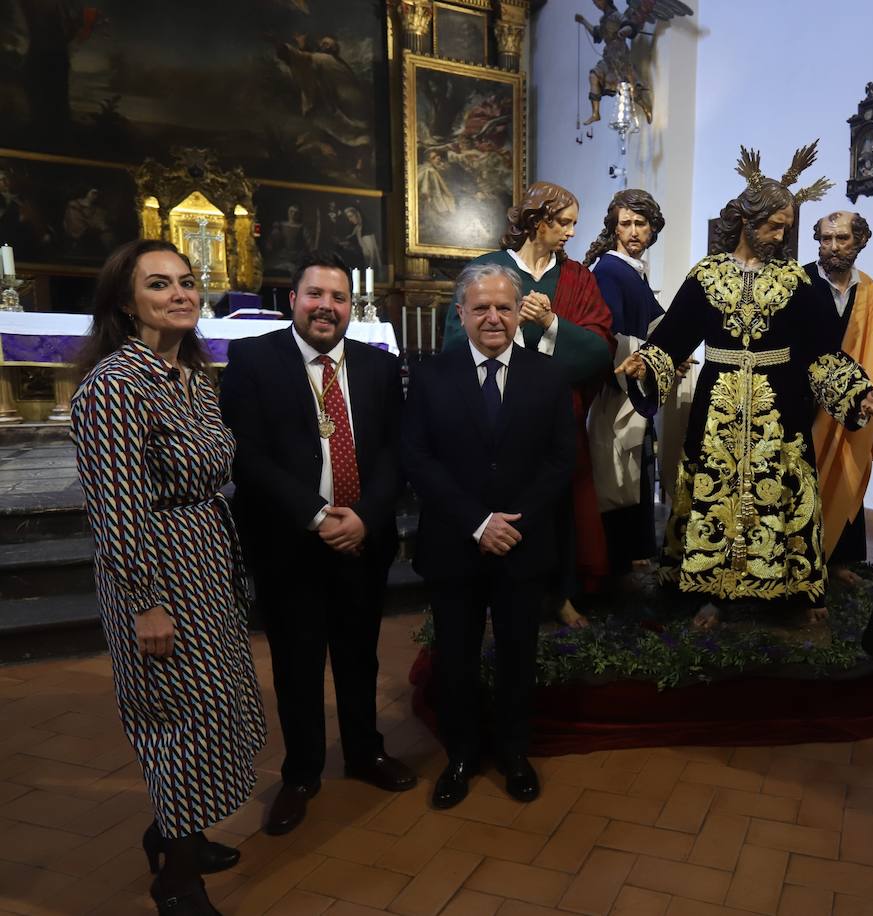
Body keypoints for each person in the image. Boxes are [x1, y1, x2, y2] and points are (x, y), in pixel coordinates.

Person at [70, 239, 266, 915]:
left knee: (216, 708)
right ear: (126, 303)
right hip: (155, 571)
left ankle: (176, 831)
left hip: (207, 559)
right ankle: (177, 879)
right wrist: (146, 604)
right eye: (159, 285)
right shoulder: (115, 388)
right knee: (178, 719)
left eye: (186, 281)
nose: (180, 293)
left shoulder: (189, 373)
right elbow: (117, 510)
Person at [617, 143, 873, 629]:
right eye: (774, 225)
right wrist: (648, 361)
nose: (782, 235)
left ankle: (793, 586)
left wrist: (855, 389)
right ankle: (711, 590)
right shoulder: (707, 275)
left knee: (779, 492)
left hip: (778, 408)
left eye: (786, 226)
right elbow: (676, 335)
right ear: (746, 219)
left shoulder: (795, 282)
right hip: (716, 408)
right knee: (713, 495)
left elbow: (820, 351)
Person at [220, 251, 416, 839]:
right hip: (289, 543)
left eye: (337, 297)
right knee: (298, 663)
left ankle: (365, 752)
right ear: (293, 300)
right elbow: (245, 452)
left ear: (350, 307)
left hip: (362, 540)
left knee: (359, 654)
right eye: (315, 295)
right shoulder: (254, 359)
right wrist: (313, 514)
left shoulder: (379, 369)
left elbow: (393, 454)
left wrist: (365, 516)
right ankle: (302, 774)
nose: (326, 307)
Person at [404, 262, 575, 808]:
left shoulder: (549, 376)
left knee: (518, 655)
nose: (494, 317)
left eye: (504, 306)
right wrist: (478, 521)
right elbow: (418, 459)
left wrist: (510, 521)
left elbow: (560, 460)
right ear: (461, 314)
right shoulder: (432, 375)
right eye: (481, 308)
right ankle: (459, 755)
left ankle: (514, 752)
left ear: (519, 311)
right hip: (455, 542)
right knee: (455, 658)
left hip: (522, 544)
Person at [443, 181, 614, 627]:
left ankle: (561, 593)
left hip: (557, 414)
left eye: (574, 223)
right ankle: (485, 596)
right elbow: (457, 340)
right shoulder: (488, 269)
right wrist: (518, 321)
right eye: (563, 222)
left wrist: (553, 323)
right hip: (492, 409)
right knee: (494, 500)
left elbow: (599, 347)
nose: (571, 232)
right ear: (537, 221)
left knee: (558, 504)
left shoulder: (577, 277)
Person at [805, 211, 873, 580]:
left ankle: (842, 558)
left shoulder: (870, 291)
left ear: (859, 241)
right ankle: (802, 560)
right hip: (807, 403)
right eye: (825, 239)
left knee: (848, 471)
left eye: (841, 239)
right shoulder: (800, 282)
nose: (832, 248)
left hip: (858, 403)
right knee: (806, 479)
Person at [585, 189, 667, 584]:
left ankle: (636, 548)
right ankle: (616, 554)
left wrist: (674, 349)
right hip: (618, 383)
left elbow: (657, 321)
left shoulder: (635, 270)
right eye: (626, 223)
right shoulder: (609, 270)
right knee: (618, 465)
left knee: (637, 464)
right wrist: (656, 353)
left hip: (640, 383)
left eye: (641, 223)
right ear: (614, 227)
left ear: (652, 229)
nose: (633, 231)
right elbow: (612, 333)